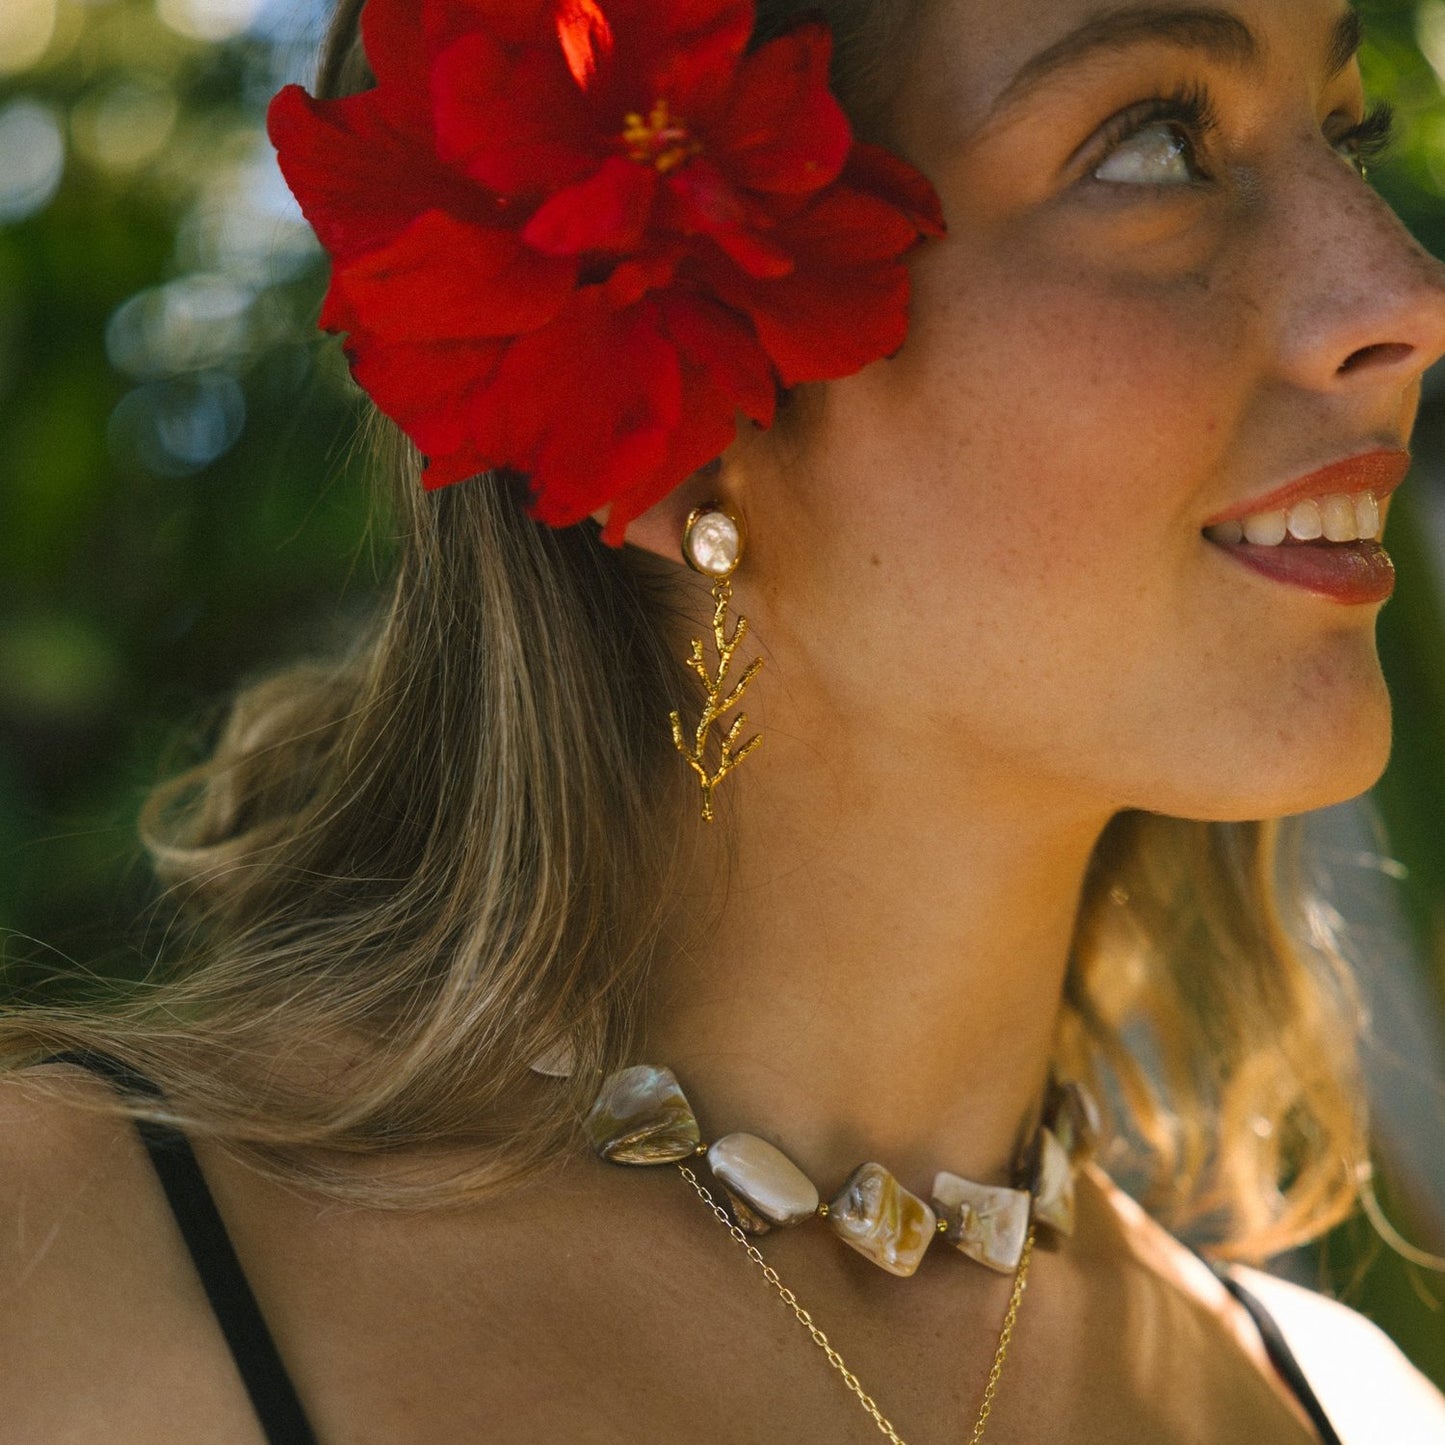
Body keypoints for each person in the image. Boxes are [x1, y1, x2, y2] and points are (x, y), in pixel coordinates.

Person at [3, 0, 1445, 1439]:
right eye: (1154, 143)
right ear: (670, 411)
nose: (1406, 291)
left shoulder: (1350, 1409)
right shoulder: (65, 1279)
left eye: (1346, 132)